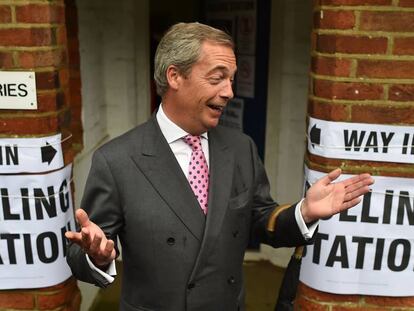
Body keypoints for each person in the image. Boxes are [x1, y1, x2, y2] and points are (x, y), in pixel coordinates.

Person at [65, 22, 373, 311]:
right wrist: (96, 256)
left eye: (231, 78)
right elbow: (83, 250)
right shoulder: (117, 160)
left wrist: (304, 212)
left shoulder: (240, 148)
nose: (229, 91)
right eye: (217, 77)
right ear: (175, 76)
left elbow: (260, 216)